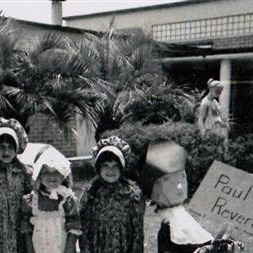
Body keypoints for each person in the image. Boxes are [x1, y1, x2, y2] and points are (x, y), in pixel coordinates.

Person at [79, 136, 145, 253]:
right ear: (98, 168)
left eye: (115, 166)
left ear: (122, 168)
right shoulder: (90, 194)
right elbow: (84, 230)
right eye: (106, 166)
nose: (111, 171)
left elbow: (137, 233)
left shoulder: (132, 195)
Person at [21, 145, 81, 253]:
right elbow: (27, 229)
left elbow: (74, 228)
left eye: (56, 172)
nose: (51, 177)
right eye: (46, 172)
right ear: (38, 175)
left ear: (63, 174)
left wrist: (69, 250)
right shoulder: (32, 200)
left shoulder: (67, 199)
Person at [0, 117, 33, 253]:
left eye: (10, 148)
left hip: (19, 228)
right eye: (1, 147)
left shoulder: (25, 173)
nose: (6, 152)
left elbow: (33, 198)